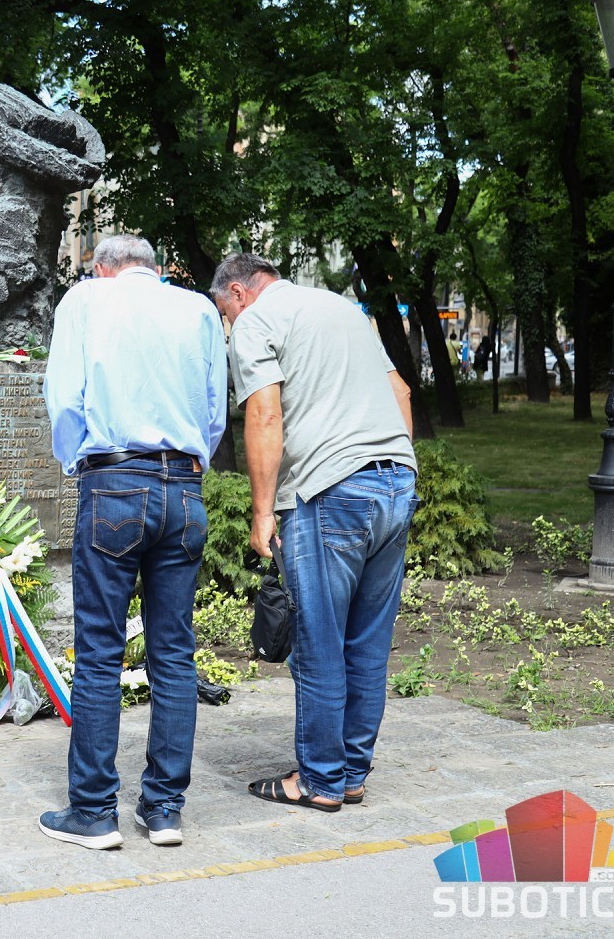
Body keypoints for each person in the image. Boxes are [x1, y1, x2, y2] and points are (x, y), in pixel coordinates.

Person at [210, 254, 417, 812]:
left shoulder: (256, 321)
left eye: (225, 313)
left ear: (238, 292)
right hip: (395, 484)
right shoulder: (343, 308)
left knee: (319, 640)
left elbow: (264, 415)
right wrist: (400, 468)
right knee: (367, 644)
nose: (228, 325)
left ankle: (320, 781)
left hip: (328, 492)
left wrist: (262, 512)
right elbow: (401, 393)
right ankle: (350, 774)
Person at [41, 234, 228, 849]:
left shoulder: (85, 300)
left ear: (102, 268)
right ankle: (165, 809)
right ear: (154, 267)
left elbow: (65, 400)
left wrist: (79, 464)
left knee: (100, 651)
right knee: (174, 652)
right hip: (184, 488)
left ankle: (94, 812)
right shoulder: (199, 308)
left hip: (115, 481)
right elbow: (213, 411)